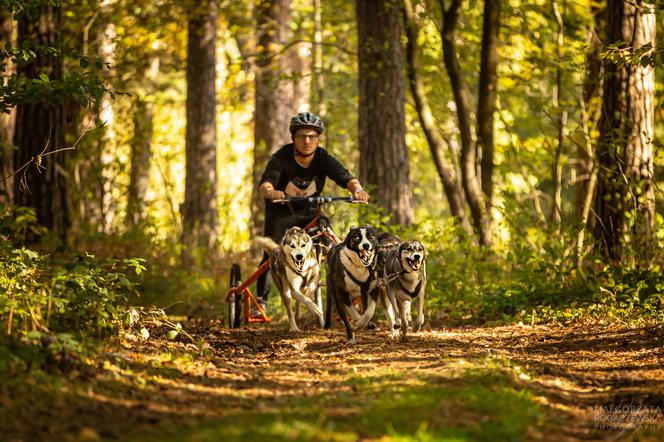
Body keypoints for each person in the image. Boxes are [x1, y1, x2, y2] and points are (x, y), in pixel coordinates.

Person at [256, 111, 369, 313]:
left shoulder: (323, 157)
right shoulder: (281, 157)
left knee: (334, 245)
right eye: (302, 136)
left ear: (318, 139)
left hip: (311, 212)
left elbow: (346, 178)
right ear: (294, 138)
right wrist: (271, 192)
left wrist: (358, 191)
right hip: (281, 213)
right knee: (272, 251)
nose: (307, 141)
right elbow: (266, 182)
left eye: (312, 137)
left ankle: (347, 292)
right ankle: (261, 300)